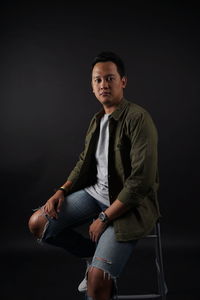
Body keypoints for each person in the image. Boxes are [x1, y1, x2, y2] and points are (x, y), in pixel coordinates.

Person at [28, 51, 161, 300]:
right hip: (95, 194)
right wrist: (62, 190)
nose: (103, 85)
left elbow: (141, 181)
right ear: (92, 86)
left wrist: (104, 217)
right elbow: (84, 162)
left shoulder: (138, 119)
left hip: (128, 206)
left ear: (123, 81)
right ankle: (93, 255)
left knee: (96, 285)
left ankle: (96, 270)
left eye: (110, 78)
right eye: (98, 80)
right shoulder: (97, 119)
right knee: (38, 223)